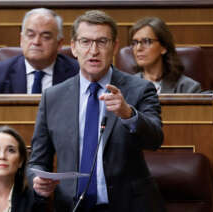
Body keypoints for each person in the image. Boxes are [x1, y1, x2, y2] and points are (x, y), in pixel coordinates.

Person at [27, 10, 166, 212]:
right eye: (85, 42)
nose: (94, 51)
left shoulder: (139, 89)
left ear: (115, 47)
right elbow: (38, 161)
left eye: (102, 42)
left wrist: (128, 114)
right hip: (71, 206)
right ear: (73, 47)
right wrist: (37, 179)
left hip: (128, 205)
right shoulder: (52, 97)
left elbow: (155, 139)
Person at [0, 8, 79, 94]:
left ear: (59, 44)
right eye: (30, 35)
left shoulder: (77, 72)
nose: (36, 42)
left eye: (46, 37)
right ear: (21, 40)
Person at [129, 16, 201, 93]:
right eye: (135, 43)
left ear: (164, 47)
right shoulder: (127, 86)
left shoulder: (188, 88)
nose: (138, 48)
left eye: (147, 41)